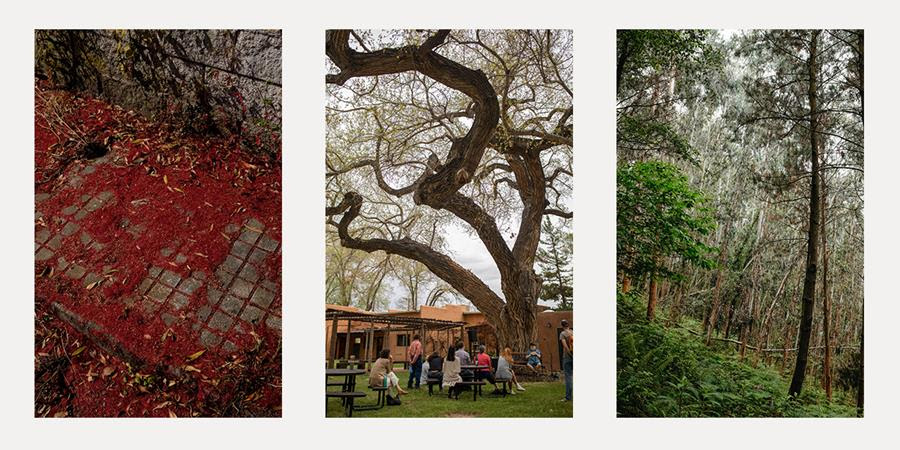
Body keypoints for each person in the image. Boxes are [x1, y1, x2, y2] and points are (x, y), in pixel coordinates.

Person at [559, 319, 573, 402]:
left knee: (568, 377)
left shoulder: (562, 334)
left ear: (562, 326)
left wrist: (570, 355)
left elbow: (565, 346)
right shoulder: (573, 332)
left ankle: (568, 397)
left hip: (568, 357)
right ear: (568, 325)